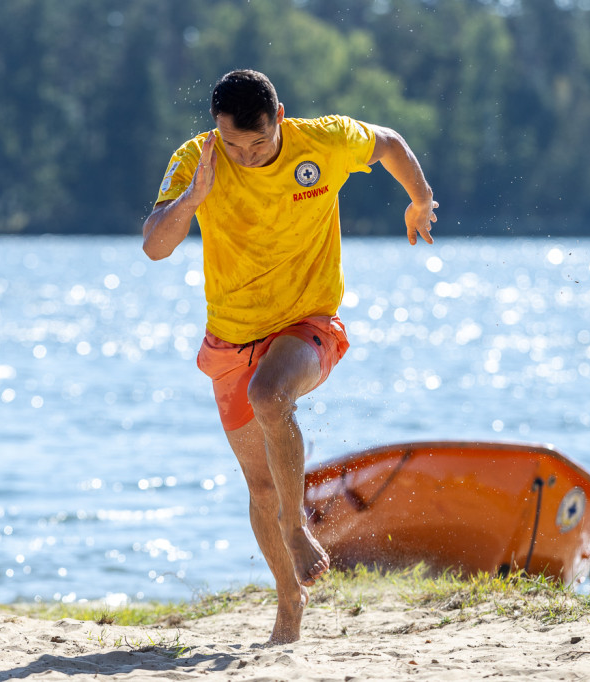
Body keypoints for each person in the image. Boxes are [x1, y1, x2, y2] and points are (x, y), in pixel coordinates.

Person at [142, 69, 437, 644]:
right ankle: (289, 606)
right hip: (230, 337)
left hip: (307, 324)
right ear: (216, 129)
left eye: (257, 143)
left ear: (280, 119)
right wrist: (193, 197)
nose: (245, 157)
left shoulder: (322, 142)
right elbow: (155, 245)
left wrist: (419, 200)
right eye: (233, 143)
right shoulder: (196, 160)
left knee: (269, 395)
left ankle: (296, 526)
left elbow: (391, 144)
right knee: (259, 487)